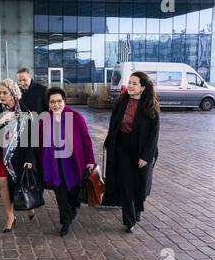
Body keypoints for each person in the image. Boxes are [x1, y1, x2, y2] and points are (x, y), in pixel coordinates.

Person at [102, 71, 160, 233]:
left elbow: (153, 135)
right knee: (126, 184)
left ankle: (137, 210)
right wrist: (109, 142)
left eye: (135, 83)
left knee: (140, 184)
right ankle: (130, 219)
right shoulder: (122, 101)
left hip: (141, 149)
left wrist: (146, 156)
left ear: (142, 88)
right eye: (130, 82)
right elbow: (114, 124)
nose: (131, 86)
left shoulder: (150, 106)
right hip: (122, 146)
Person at [0, 79, 37, 232]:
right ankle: (10, 216)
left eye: (5, 93)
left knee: (18, 182)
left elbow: (31, 137)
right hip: (3, 153)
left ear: (13, 94)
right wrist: (0, 122)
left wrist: (29, 159)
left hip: (20, 153)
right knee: (2, 181)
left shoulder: (24, 110)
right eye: (0, 93)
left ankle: (28, 205)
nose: (1, 96)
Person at [40, 87, 95, 237]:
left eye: (59, 101)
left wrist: (90, 160)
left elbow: (86, 140)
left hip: (73, 162)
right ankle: (65, 222)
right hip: (54, 164)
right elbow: (38, 143)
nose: (56, 105)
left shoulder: (76, 117)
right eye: (52, 102)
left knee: (74, 194)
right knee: (61, 194)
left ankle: (73, 208)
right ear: (48, 104)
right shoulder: (44, 120)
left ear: (64, 102)